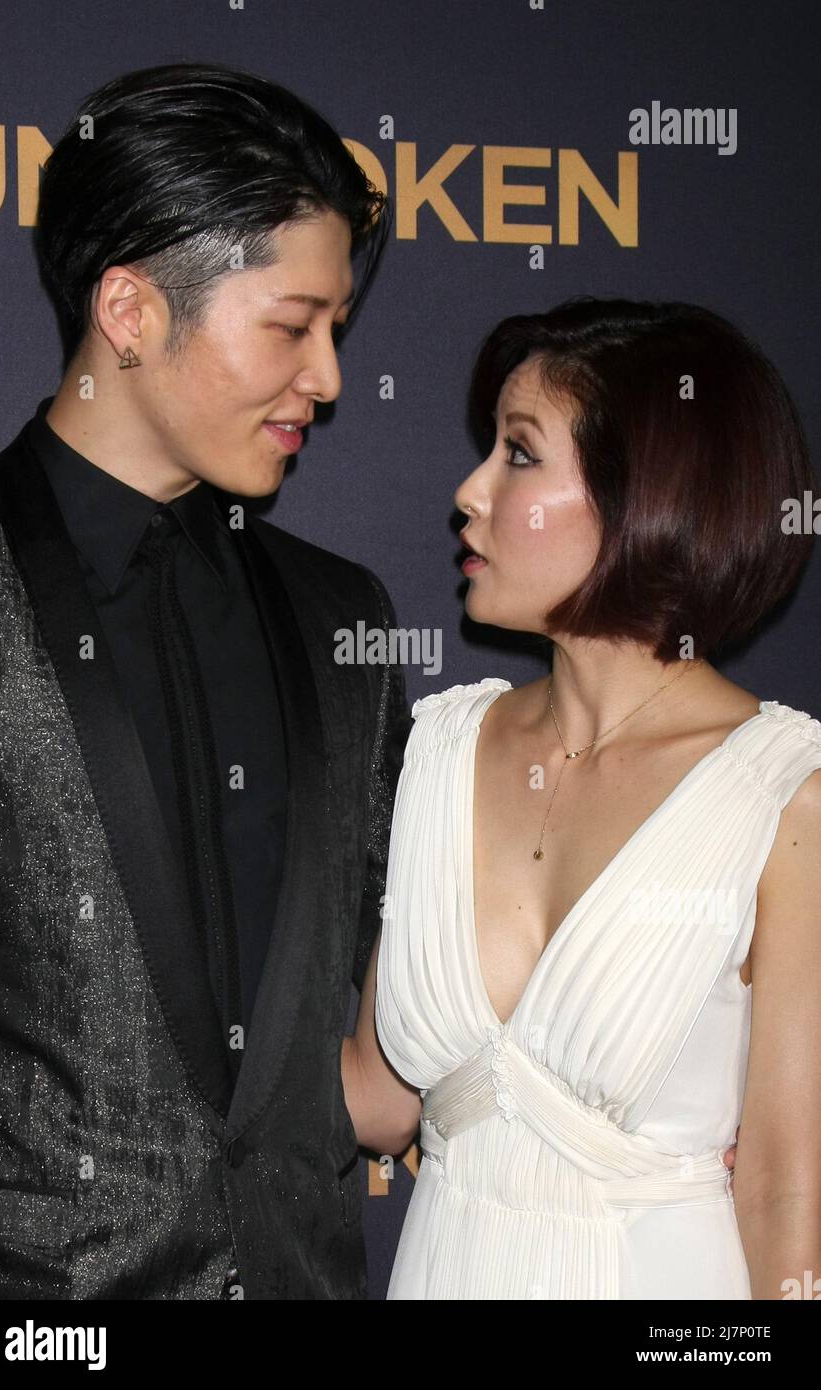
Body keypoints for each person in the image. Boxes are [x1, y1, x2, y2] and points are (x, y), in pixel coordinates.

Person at [0, 61, 413, 1299]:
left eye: (335, 333)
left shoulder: (342, 620)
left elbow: (400, 975)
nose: (324, 377)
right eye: (290, 324)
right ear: (132, 311)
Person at [346, 298, 821, 1299]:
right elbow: (377, 1100)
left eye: (517, 454)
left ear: (646, 493)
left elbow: (784, 1199)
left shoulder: (785, 795)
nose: (466, 493)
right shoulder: (440, 745)